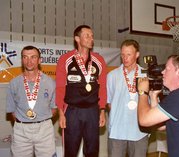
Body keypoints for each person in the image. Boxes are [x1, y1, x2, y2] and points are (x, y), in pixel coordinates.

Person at [56, 25, 107, 157]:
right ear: (77, 38)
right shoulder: (65, 60)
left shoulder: (99, 60)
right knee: (70, 151)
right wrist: (61, 113)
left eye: (92, 36)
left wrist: (102, 111)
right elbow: (60, 88)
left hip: (92, 111)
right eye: (87, 36)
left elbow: (102, 88)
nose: (91, 39)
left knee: (92, 151)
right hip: (72, 111)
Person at [6, 45, 57, 157]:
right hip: (21, 131)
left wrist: (40, 121)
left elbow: (54, 108)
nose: (29, 61)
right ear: (22, 59)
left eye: (33, 57)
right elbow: (12, 111)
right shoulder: (14, 83)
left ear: (40, 60)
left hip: (44, 130)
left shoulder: (50, 82)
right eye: (25, 57)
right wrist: (24, 122)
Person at [107, 39, 148, 157]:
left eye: (129, 54)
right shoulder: (112, 75)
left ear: (137, 54)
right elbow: (109, 103)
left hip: (139, 131)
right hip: (117, 131)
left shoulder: (146, 75)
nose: (125, 58)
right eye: (123, 54)